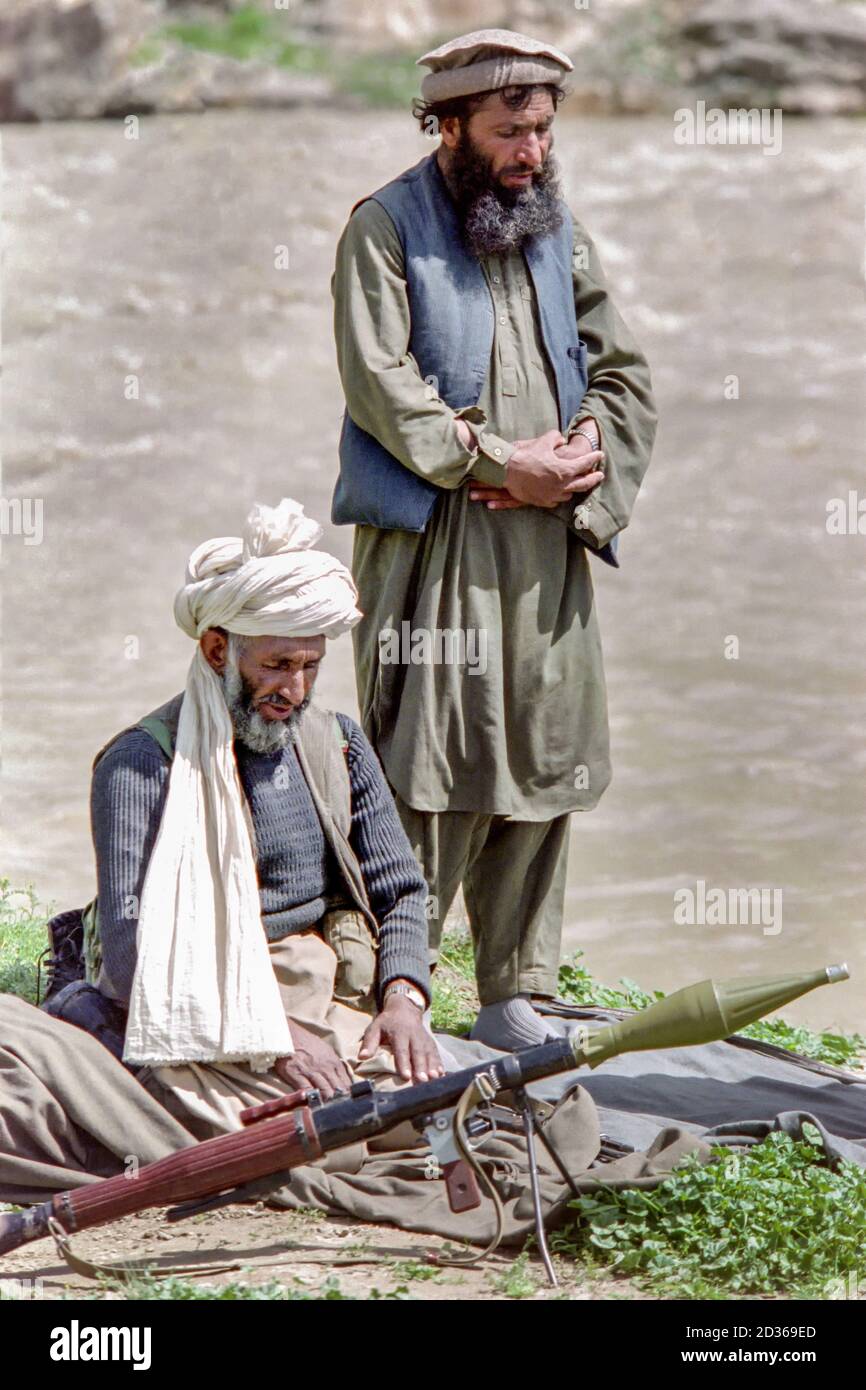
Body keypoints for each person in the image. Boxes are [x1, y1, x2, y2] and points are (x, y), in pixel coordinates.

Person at [331, 28, 658, 1051]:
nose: (530, 149)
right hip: (441, 539)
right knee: (432, 757)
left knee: (544, 745)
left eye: (541, 129)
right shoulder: (383, 230)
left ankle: (518, 985)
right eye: (509, 130)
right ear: (449, 127)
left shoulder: (554, 227)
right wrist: (495, 461)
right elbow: (382, 392)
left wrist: (589, 453)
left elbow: (625, 373)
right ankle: (398, 986)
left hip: (545, 541)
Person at [0, 498, 442, 1203]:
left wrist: (403, 1001)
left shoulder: (337, 745)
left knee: (428, 1101)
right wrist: (270, 1037)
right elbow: (134, 947)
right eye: (276, 664)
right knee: (275, 1134)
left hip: (322, 1001)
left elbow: (401, 891)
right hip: (196, 1008)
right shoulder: (140, 765)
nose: (293, 690)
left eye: (310, 666)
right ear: (216, 650)